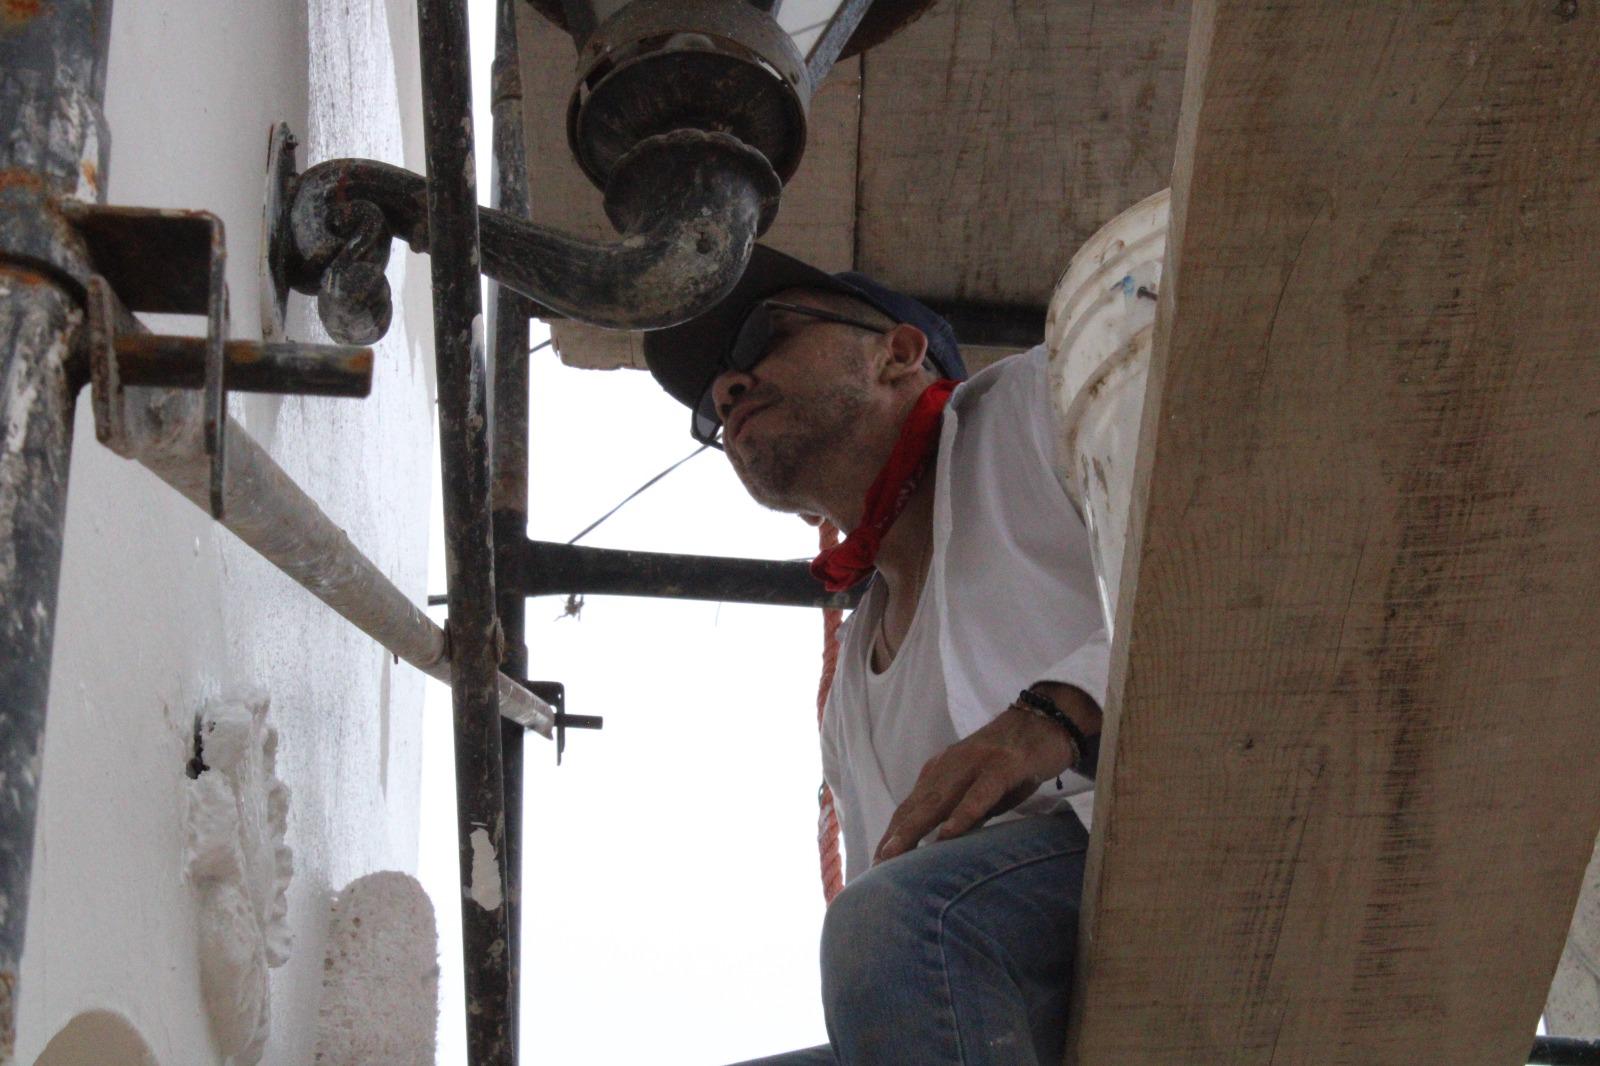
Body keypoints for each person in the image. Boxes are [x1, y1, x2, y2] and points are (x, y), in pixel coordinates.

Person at [644, 246, 1110, 1066]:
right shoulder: (851, 700)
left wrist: (1056, 714)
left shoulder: (1045, 402)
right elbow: (893, 979)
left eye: (763, 338)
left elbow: (1229, 558)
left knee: (900, 920)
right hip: (1014, 986)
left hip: (1156, 850)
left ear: (896, 353)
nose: (727, 389)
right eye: (712, 405)